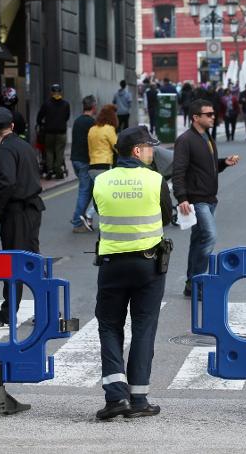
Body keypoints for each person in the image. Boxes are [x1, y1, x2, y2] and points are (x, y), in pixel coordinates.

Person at [92, 125, 173, 420]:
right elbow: (167, 215)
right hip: (148, 265)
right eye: (149, 147)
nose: (153, 152)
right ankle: (139, 399)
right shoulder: (155, 180)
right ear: (137, 151)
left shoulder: (101, 180)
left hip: (112, 265)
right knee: (143, 327)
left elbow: (100, 211)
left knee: (109, 326)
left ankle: (116, 397)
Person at [0, 107, 45, 329]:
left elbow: (6, 183)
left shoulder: (5, 150)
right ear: (12, 126)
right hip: (31, 209)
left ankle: (8, 315)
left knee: (15, 264)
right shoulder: (24, 145)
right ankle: (47, 309)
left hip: (17, 212)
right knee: (31, 261)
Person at [172, 99, 240, 297]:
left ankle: (191, 283)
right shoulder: (185, 140)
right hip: (197, 200)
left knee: (198, 240)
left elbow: (207, 167)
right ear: (195, 117)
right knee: (209, 236)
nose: (213, 117)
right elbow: (179, 171)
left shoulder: (207, 137)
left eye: (213, 114)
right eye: (208, 114)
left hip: (210, 198)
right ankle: (199, 281)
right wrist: (182, 197)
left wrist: (223, 163)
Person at [71, 95, 97, 233]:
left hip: (75, 159)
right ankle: (77, 222)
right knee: (85, 191)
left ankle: (80, 218)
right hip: (85, 161)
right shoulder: (92, 123)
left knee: (87, 190)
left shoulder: (77, 121)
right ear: (93, 107)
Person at [36, 83, 71, 179]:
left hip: (49, 132)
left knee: (49, 151)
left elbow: (39, 118)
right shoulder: (66, 104)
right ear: (61, 92)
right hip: (61, 132)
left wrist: (42, 124)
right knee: (59, 152)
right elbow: (67, 117)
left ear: (51, 92)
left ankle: (49, 170)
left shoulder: (46, 104)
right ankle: (58, 170)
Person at [88, 104, 119, 182]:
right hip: (104, 166)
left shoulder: (92, 129)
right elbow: (118, 148)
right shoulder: (109, 129)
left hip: (92, 167)